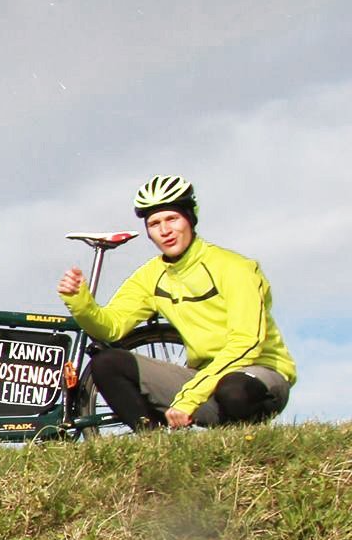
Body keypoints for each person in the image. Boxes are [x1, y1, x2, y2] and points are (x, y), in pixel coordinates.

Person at [58, 176, 296, 430]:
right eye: (154, 223)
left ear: (190, 218)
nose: (165, 230)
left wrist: (189, 397)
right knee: (107, 363)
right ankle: (154, 447)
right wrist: (79, 301)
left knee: (234, 393)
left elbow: (246, 344)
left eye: (172, 219)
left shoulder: (236, 269)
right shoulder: (151, 275)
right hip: (201, 379)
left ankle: (241, 447)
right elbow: (111, 327)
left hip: (257, 372)